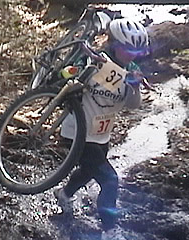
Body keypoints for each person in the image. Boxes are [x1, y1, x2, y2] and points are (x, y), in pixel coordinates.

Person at [54, 18, 149, 240]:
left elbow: (134, 105)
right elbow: (63, 75)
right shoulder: (94, 59)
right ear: (115, 43)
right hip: (76, 132)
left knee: (88, 172)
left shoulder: (131, 70)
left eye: (137, 50)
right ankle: (110, 231)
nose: (132, 55)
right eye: (128, 49)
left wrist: (134, 86)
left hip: (100, 135)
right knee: (110, 180)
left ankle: (64, 194)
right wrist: (75, 75)